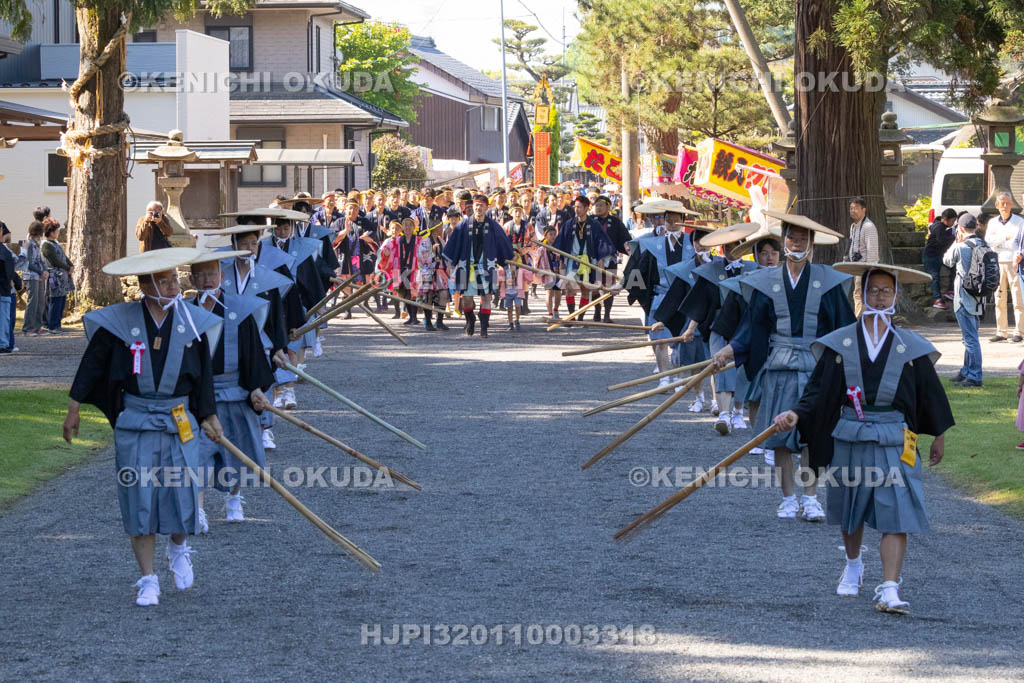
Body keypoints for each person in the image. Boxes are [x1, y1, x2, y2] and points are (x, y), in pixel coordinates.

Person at [775, 262, 953, 614]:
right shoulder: (840, 343)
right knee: (850, 509)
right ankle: (853, 564)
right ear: (862, 294)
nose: (879, 295)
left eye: (886, 290)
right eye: (872, 290)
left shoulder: (911, 348)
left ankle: (889, 588)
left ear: (896, 296)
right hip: (851, 435)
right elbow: (818, 391)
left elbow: (930, 393)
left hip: (895, 437)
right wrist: (796, 413)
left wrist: (939, 435)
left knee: (898, 511)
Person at [63, 247, 224, 607]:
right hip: (135, 422)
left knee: (182, 493)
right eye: (164, 281)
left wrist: (209, 416)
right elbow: (92, 365)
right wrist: (73, 407)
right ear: (146, 284)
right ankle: (147, 578)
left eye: (174, 279)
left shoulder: (191, 321)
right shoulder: (121, 323)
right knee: (140, 499)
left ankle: (179, 548)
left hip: (179, 420)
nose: (173, 286)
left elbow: (204, 377)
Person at [712, 209, 855, 522]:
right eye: (791, 237)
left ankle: (812, 497)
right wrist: (730, 350)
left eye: (803, 238)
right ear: (783, 240)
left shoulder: (828, 282)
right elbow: (752, 327)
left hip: (817, 367)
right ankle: (789, 498)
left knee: (812, 436)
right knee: (779, 435)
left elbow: (845, 329)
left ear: (812, 245)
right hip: (779, 366)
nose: (797, 243)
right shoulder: (767, 282)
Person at [189, 250, 275, 528]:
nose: (206, 280)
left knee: (236, 452)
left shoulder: (238, 309)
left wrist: (255, 388)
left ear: (222, 276)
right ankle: (198, 509)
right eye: (200, 274)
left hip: (234, 390)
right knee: (196, 455)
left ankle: (234, 499)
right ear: (191, 278)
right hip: (198, 398)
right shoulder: (184, 314)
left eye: (211, 274)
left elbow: (252, 352)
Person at [677, 223, 759, 433]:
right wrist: (691, 328)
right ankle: (723, 415)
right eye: (728, 247)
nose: (732, 251)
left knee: (742, 370)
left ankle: (739, 413)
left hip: (745, 325)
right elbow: (699, 303)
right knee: (719, 366)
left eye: (736, 246)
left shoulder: (754, 270)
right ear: (721, 249)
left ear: (744, 248)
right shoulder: (711, 270)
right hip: (718, 325)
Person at [620, 202, 709, 393]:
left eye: (676, 221)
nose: (671, 225)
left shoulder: (691, 243)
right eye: (668, 221)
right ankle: (663, 377)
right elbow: (638, 268)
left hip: (686, 298)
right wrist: (620, 285)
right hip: (661, 296)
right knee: (659, 340)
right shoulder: (654, 245)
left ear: (684, 222)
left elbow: (702, 266)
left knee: (682, 341)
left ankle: (679, 377)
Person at [442, 193, 515, 338]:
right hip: (466, 266)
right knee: (467, 299)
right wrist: (450, 263)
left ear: (487, 207)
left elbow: (503, 242)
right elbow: (453, 242)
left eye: (481, 205)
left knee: (487, 297)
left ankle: (484, 327)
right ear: (473, 207)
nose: (478, 208)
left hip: (487, 265)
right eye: (476, 205)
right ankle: (470, 320)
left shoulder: (492, 225)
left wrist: (507, 261)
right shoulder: (464, 223)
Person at [553, 195, 616, 316]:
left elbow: (602, 242)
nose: (576, 210)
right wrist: (561, 261)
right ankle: (571, 316)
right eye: (575, 207)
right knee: (570, 289)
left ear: (586, 208)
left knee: (586, 289)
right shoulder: (569, 224)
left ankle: (580, 316)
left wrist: (601, 259)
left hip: (588, 261)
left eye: (579, 207)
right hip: (573, 260)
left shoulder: (594, 224)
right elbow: (561, 242)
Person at [943, 212, 985, 387]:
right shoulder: (984, 244)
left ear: (960, 228)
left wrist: (956, 240)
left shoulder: (960, 246)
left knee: (970, 339)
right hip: (979, 298)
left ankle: (974, 376)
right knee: (971, 336)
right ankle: (966, 371)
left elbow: (946, 260)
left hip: (963, 298)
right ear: (975, 227)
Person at [986, 192, 1024, 342]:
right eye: (1001, 203)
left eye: (1007, 203)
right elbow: (989, 241)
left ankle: (1019, 331)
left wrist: (1000, 242)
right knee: (999, 297)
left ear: (1012, 204)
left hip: (1014, 261)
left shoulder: (1019, 222)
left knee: (1017, 297)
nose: (1005, 206)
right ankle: (1001, 331)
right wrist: (1004, 239)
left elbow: (1017, 242)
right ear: (996, 205)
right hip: (997, 261)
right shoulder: (992, 222)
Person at [592, 195, 632, 322]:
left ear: (608, 207)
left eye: (601, 205)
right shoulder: (590, 221)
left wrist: (629, 248)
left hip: (610, 259)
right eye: (596, 205)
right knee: (595, 286)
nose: (598, 208)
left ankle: (607, 314)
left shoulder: (615, 222)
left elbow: (625, 238)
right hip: (593, 259)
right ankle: (597, 311)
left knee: (609, 286)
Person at [415, 209, 451, 331]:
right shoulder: (425, 241)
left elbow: (446, 256)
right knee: (428, 296)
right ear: (436, 228)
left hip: (440, 272)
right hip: (428, 272)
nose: (442, 228)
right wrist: (432, 253)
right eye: (441, 226)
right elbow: (421, 258)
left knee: (443, 294)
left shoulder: (441, 241)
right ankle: (428, 321)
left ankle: (439, 321)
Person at [847, 197, 879, 317]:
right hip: (857, 268)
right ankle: (860, 318)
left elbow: (872, 250)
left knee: (862, 294)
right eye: (851, 208)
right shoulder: (854, 226)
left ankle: (860, 319)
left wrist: (871, 270)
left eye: (856, 208)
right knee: (858, 294)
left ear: (863, 210)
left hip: (866, 268)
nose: (852, 211)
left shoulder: (868, 226)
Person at [41, 222, 74, 333]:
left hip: (62, 276)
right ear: (50, 232)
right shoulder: (45, 245)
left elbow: (64, 257)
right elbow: (55, 260)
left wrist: (71, 265)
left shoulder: (55, 243)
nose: (58, 232)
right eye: (57, 230)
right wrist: (67, 267)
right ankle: (52, 326)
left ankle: (57, 324)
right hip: (54, 276)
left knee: (61, 299)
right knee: (55, 300)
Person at [923, 208, 957, 309]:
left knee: (954, 268)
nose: (953, 223)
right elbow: (941, 240)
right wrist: (954, 236)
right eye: (953, 221)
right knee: (934, 276)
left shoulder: (942, 227)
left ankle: (950, 291)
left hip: (939, 255)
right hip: (931, 255)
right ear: (946, 219)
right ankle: (937, 299)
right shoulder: (938, 227)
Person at [18, 221, 47, 336]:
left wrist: (44, 271)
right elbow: (28, 262)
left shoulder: (37, 244)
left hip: (39, 275)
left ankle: (37, 326)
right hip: (30, 276)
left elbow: (40, 260)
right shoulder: (28, 243)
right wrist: (41, 271)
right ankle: (28, 328)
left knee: (40, 301)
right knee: (33, 302)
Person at [0, 226, 19, 352]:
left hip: (4, 287)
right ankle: (3, 344)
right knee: (4, 319)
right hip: (4, 289)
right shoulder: (3, 251)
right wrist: (11, 281)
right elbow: (7, 268)